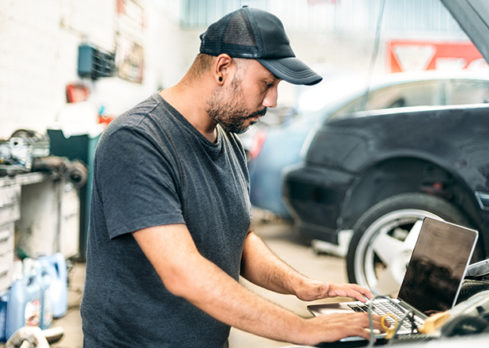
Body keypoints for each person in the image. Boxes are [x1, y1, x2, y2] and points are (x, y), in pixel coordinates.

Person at [81, 6, 385, 347]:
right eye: (266, 83)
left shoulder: (227, 141)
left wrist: (299, 285)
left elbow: (239, 239)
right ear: (223, 67)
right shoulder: (137, 140)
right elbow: (182, 272)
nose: (272, 99)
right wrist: (305, 329)